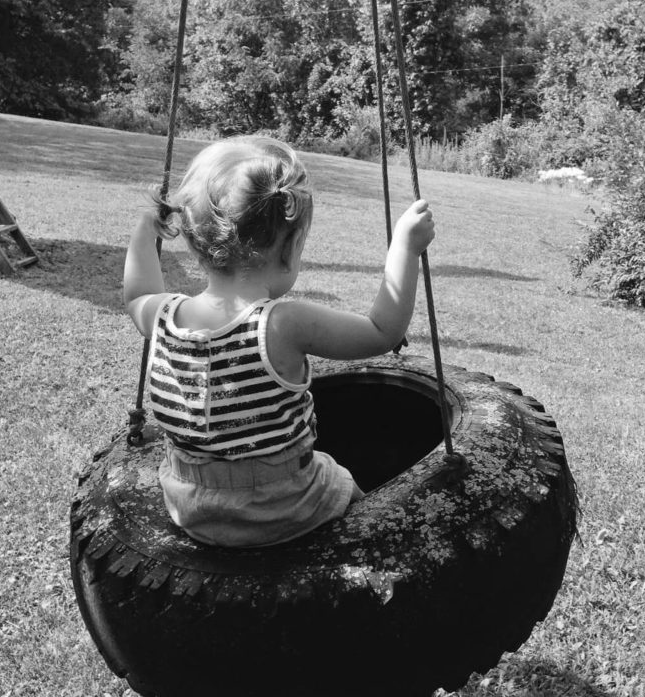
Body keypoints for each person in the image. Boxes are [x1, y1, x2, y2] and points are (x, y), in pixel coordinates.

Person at [123, 135, 435, 548]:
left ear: (198, 244)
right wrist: (405, 246)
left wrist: (145, 231)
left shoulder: (162, 315)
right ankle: (377, 553)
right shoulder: (283, 323)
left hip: (191, 507)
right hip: (286, 506)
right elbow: (383, 331)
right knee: (347, 487)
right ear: (288, 249)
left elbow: (136, 294)